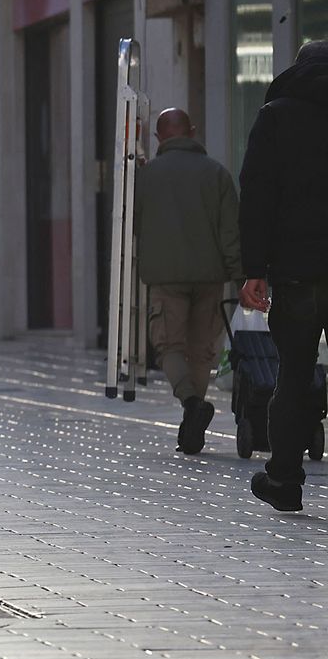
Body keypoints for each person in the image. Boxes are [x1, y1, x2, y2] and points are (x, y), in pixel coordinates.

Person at [241, 42, 328, 512]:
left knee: (293, 376)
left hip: (295, 273)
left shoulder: (276, 116)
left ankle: (285, 481)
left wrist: (254, 270)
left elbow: (256, 197)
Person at [135, 108, 240, 455]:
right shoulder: (217, 174)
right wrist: (241, 278)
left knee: (169, 346)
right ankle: (191, 425)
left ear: (159, 138)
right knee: (201, 350)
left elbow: (130, 225)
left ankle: (192, 405)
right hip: (210, 277)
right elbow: (231, 234)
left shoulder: (146, 178)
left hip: (166, 277)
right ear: (192, 132)